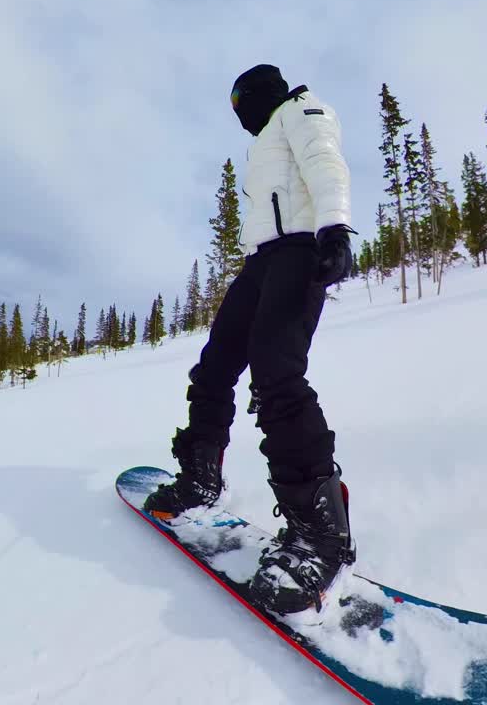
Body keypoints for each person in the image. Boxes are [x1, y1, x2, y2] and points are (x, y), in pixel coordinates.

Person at [143, 64, 356, 615]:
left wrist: (334, 228)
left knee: (276, 373)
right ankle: (201, 475)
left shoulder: (301, 111)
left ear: (260, 94)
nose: (238, 114)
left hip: (299, 251)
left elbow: (324, 163)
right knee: (215, 367)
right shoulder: (263, 141)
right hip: (262, 262)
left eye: (241, 102)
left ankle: (321, 534)